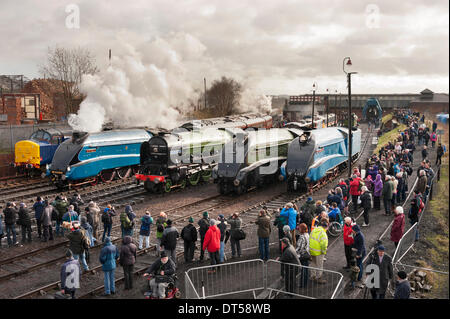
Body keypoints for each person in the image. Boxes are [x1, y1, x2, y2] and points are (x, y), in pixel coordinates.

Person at [309, 219, 328, 284]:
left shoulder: (314, 230)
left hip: (312, 251)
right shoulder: (323, 233)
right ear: (325, 227)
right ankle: (318, 278)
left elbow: (310, 239)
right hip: (319, 252)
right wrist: (323, 252)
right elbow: (323, 244)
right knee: (320, 265)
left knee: (313, 263)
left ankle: (312, 276)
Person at [296, 223, 310, 288]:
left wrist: (295, 253)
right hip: (307, 254)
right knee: (306, 269)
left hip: (302, 255)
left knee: (303, 270)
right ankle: (306, 283)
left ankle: (302, 284)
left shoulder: (302, 236)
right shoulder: (307, 234)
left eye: (299, 228)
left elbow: (300, 247)